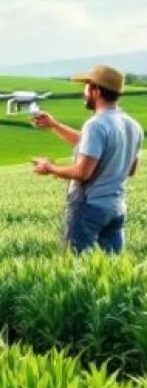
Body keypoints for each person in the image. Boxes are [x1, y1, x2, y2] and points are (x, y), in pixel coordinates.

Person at [31, 64, 143, 254]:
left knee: (76, 269)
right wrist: (54, 125)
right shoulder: (132, 125)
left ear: (96, 90)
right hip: (116, 209)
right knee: (111, 270)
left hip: (89, 207)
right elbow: (130, 169)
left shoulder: (96, 124)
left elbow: (83, 172)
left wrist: (49, 168)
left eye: (86, 87)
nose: (84, 93)